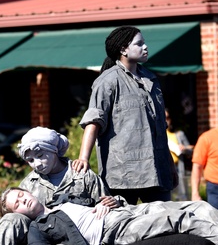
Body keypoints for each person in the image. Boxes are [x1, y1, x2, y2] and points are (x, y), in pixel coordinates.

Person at [73, 26, 176, 204]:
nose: (145, 47)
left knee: (165, 225)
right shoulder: (108, 81)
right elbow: (93, 121)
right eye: (139, 44)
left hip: (157, 172)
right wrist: (83, 158)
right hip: (122, 175)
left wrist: (170, 165)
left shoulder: (151, 80)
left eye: (144, 43)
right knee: (123, 226)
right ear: (123, 50)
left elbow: (160, 129)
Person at [0, 188, 218, 245]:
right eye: (17, 204)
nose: (23, 200)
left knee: (199, 205)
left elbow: (105, 198)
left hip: (126, 211)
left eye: (21, 195)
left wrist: (112, 201)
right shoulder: (38, 229)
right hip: (114, 231)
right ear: (17, 213)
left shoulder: (63, 199)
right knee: (177, 218)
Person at [0, 127, 119, 245]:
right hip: (41, 243)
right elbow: (4, 222)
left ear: (53, 150)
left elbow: (106, 203)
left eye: (41, 155)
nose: (37, 164)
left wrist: (111, 202)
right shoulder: (28, 185)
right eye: (30, 160)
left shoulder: (81, 175)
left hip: (80, 237)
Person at [166, 110, 194, 201]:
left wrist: (184, 148)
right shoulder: (156, 135)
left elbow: (191, 151)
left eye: (168, 118)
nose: (166, 120)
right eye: (163, 118)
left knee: (182, 197)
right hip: (164, 169)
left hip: (177, 168)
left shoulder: (178, 134)